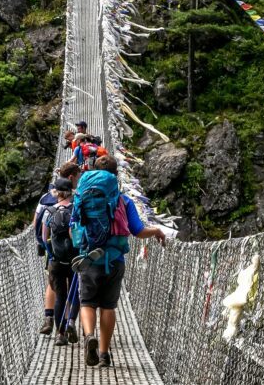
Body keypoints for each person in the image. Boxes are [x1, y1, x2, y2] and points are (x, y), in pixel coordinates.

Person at [73, 155, 165, 368]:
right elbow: (138, 230)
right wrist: (157, 230)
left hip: (88, 259)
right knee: (108, 306)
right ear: (116, 176)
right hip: (114, 260)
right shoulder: (124, 200)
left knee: (87, 302)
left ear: (93, 171)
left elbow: (74, 229)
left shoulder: (82, 196)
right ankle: (104, 354)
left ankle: (88, 337)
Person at [34, 162, 82, 334]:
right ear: (71, 180)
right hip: (75, 256)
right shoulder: (78, 204)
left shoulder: (47, 203)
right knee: (74, 290)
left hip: (55, 256)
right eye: (78, 176)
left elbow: (38, 226)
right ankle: (71, 322)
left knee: (56, 289)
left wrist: (45, 247)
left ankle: (54, 325)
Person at [43, 177, 80, 345]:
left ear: (56, 193)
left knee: (60, 297)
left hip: (56, 261)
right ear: (71, 192)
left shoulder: (49, 211)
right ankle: (71, 321)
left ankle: (60, 334)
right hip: (75, 260)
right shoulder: (76, 210)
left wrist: (51, 254)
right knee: (75, 293)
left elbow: (44, 238)